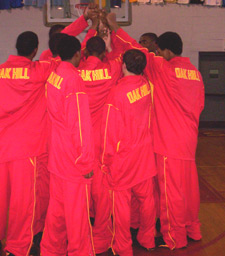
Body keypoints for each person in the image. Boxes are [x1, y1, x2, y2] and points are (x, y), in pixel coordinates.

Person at [106, 13, 205, 250]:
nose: (158, 54)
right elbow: (199, 105)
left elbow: (137, 50)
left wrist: (114, 27)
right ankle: (193, 229)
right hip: (189, 142)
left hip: (169, 143)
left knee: (171, 195)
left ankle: (174, 237)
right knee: (189, 190)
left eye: (160, 51)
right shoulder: (196, 74)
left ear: (168, 52)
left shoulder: (165, 68)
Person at [0, 31, 58, 256]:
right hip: (27, 149)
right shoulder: (39, 70)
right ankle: (15, 247)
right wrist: (85, 23)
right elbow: (63, 50)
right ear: (35, 51)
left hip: (0, 145)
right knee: (23, 202)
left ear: (16, 47)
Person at [40, 35, 96, 256]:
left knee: (57, 211)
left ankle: (50, 250)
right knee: (77, 215)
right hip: (73, 159)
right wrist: (85, 160)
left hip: (57, 155)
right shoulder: (73, 79)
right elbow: (80, 125)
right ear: (78, 55)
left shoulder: (54, 74)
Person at [101, 49, 157, 256]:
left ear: (123, 65)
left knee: (121, 204)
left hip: (123, 158)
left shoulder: (116, 94)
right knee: (147, 199)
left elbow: (109, 132)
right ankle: (148, 238)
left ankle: (123, 247)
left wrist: (105, 161)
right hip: (144, 153)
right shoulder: (146, 85)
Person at [77, 35, 124, 254]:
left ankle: (80, 232)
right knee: (102, 189)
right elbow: (122, 54)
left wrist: (92, 28)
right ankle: (101, 234)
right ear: (104, 53)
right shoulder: (112, 69)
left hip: (79, 138)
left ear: (84, 53)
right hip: (103, 136)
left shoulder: (74, 71)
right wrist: (110, 33)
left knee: (80, 188)